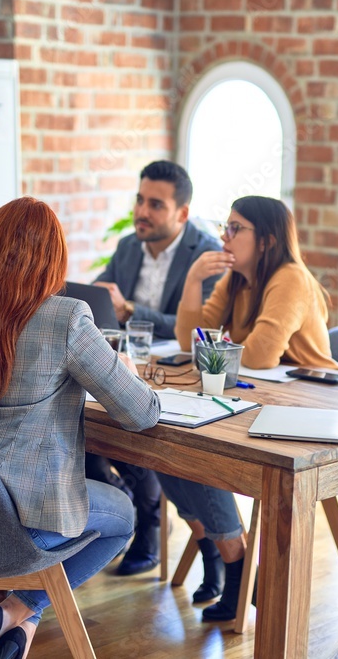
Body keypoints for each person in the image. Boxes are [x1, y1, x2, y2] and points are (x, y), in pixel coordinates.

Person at [0, 197, 161, 659]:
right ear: (53, 259)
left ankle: (13, 623)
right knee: (124, 515)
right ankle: (16, 611)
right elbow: (142, 414)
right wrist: (123, 368)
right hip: (21, 527)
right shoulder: (67, 318)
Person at [163, 195, 338, 621]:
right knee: (163, 447)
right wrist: (192, 281)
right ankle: (223, 552)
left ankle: (234, 562)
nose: (225, 236)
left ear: (267, 240)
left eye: (236, 228)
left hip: (307, 410)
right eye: (225, 226)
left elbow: (260, 355)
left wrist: (214, 347)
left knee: (201, 451)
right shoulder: (237, 278)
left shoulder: (290, 278)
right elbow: (194, 340)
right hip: (252, 398)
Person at [86, 160, 222, 579]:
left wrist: (134, 311)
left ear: (182, 213)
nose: (142, 212)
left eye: (155, 205)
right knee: (79, 424)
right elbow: (99, 298)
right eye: (140, 200)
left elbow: (203, 326)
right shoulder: (129, 246)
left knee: (140, 426)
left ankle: (146, 521)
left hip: (177, 370)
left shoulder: (206, 253)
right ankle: (125, 507)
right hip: (129, 364)